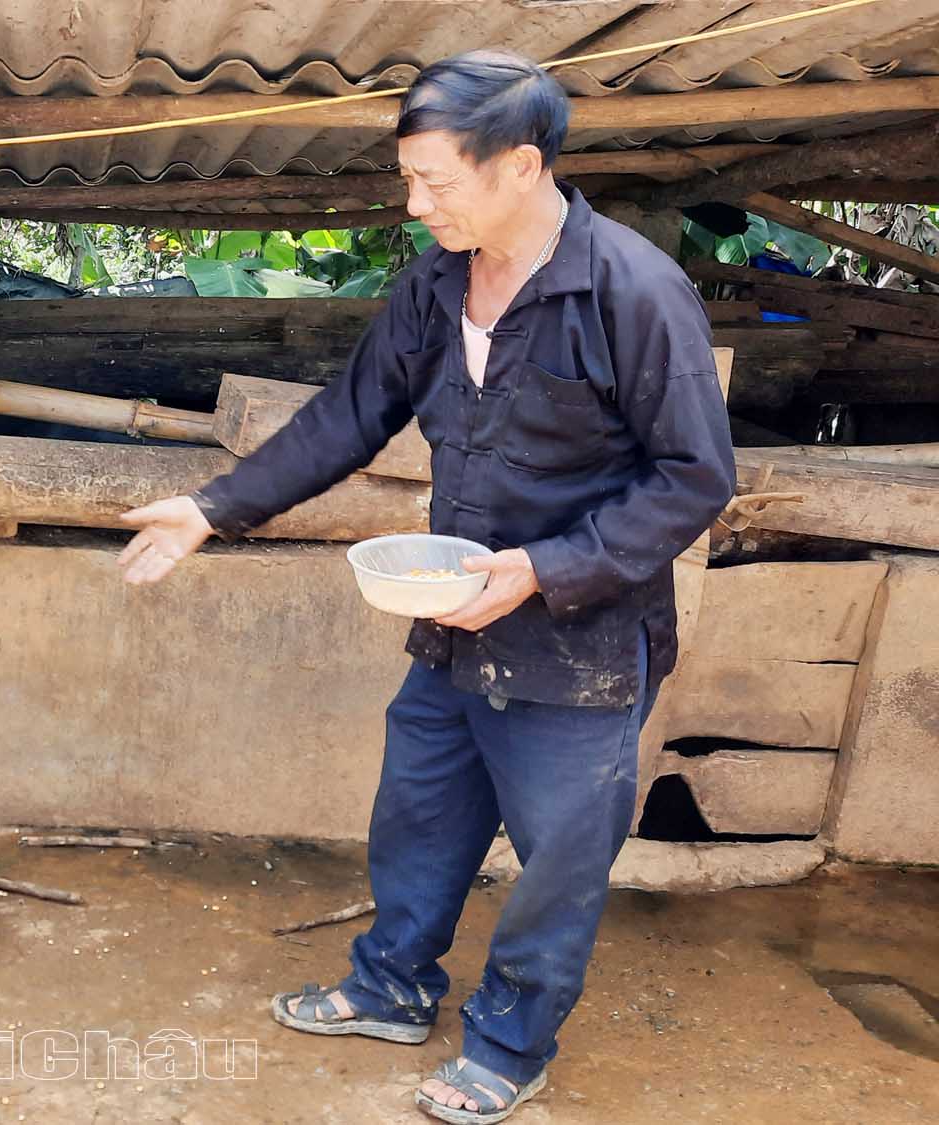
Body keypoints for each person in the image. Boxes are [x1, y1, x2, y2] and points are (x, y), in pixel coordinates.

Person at [118, 50, 736, 1125]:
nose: (413, 205)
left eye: (434, 181)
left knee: (557, 859)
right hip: (451, 618)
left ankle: (508, 1043)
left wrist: (543, 569)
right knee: (417, 817)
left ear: (520, 167)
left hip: (576, 641)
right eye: (406, 178)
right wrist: (211, 510)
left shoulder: (632, 291)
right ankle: (388, 988)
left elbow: (694, 480)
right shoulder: (435, 284)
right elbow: (350, 414)